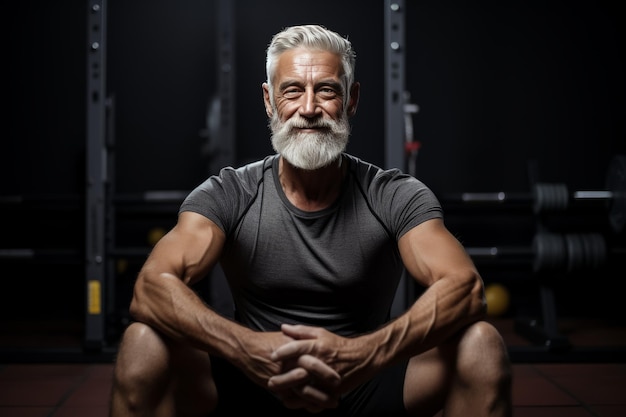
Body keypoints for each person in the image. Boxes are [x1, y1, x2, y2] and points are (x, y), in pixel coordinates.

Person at [109, 24, 513, 417]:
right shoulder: (229, 193)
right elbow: (150, 289)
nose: (308, 109)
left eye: (326, 90)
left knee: (482, 346)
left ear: (352, 99)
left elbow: (465, 289)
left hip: (366, 379)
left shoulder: (393, 194)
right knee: (141, 342)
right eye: (292, 91)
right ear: (269, 101)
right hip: (251, 380)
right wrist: (248, 349)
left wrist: (363, 355)